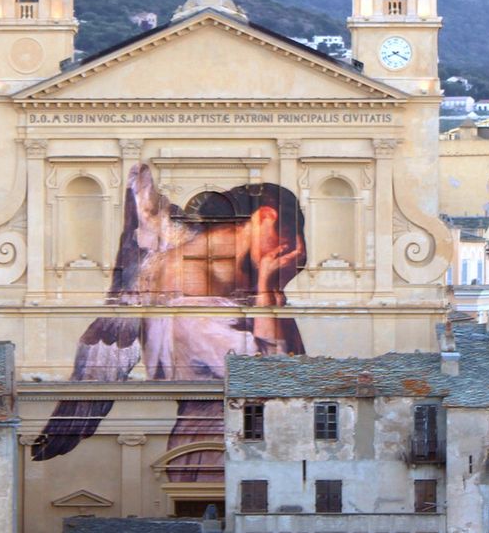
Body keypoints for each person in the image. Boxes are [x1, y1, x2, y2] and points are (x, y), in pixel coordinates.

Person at [32, 166, 308, 470]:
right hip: (217, 448)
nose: (290, 258)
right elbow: (276, 380)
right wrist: (267, 292)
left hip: (230, 443)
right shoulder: (190, 292)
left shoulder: (201, 260)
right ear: (267, 217)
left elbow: (296, 373)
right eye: (290, 248)